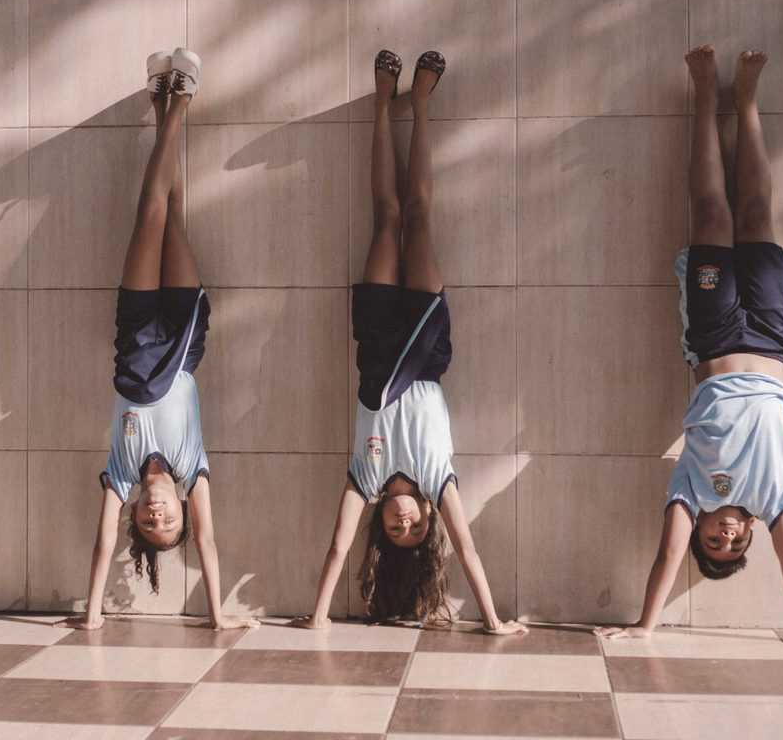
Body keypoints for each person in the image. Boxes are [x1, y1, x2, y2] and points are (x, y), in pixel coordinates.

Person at [596, 47, 783, 644]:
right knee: (756, 212)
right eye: (733, 544)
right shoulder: (774, 498)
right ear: (751, 534)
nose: (724, 537)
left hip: (715, 335)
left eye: (713, 542)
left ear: (701, 526)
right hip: (770, 335)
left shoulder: (690, 490)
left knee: (711, 212)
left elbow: (664, 558)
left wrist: (646, 628)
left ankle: (706, 96)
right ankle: (747, 104)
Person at [295, 50, 525, 634]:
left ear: (381, 525)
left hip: (375, 338)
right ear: (428, 518)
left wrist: (318, 617)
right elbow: (469, 553)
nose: (403, 524)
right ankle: (419, 106)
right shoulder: (437, 480)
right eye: (414, 531)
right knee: (419, 217)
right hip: (425, 347)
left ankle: (380, 105)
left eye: (394, 531)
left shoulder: (363, 482)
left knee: (385, 217)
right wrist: (494, 621)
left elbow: (336, 549)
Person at [67, 49, 257, 632]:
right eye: (168, 521)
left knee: (148, 214)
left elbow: (102, 547)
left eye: (149, 524)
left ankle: (177, 100)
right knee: (174, 212)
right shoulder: (193, 470)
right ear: (181, 509)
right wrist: (219, 616)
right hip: (183, 338)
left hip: (135, 332)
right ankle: (167, 103)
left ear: (137, 516)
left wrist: (94, 614)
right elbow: (211, 545)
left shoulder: (119, 475)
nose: (157, 514)